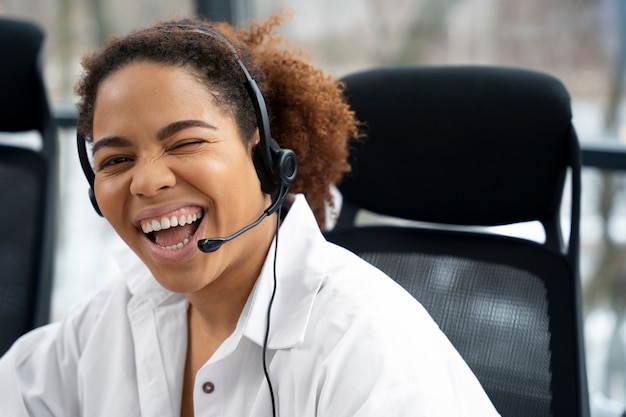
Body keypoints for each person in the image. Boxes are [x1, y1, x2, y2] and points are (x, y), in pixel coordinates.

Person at [0, 13, 500, 417]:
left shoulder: (366, 347)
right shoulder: (121, 316)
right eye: (116, 160)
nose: (146, 181)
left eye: (187, 142)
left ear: (261, 154)